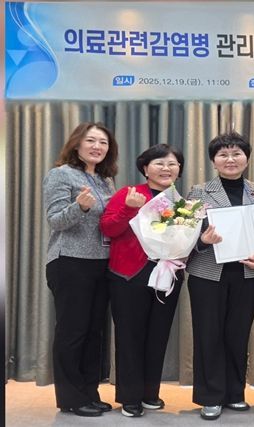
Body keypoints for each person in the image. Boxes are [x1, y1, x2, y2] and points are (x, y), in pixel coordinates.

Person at [185, 132, 254, 421]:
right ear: (213, 161)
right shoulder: (198, 192)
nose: (230, 159)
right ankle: (210, 396)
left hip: (248, 272)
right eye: (223, 154)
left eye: (237, 153)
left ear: (247, 158)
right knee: (208, 334)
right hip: (207, 273)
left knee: (238, 333)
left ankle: (235, 393)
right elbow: (184, 236)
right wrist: (203, 241)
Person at [100, 144, 184, 418]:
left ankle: (150, 393)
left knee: (158, 336)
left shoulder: (181, 203)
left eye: (172, 164)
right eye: (159, 163)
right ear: (145, 169)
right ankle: (130, 397)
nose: (166, 168)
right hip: (129, 274)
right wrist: (128, 209)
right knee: (130, 337)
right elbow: (108, 228)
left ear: (179, 170)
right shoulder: (129, 193)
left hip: (167, 274)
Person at [43, 122, 118, 417]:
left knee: (93, 332)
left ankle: (89, 393)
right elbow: (55, 220)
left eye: (103, 142)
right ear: (77, 144)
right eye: (91, 140)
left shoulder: (105, 180)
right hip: (70, 262)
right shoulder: (60, 174)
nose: (97, 147)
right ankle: (71, 398)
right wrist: (80, 207)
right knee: (72, 331)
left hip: (102, 263)